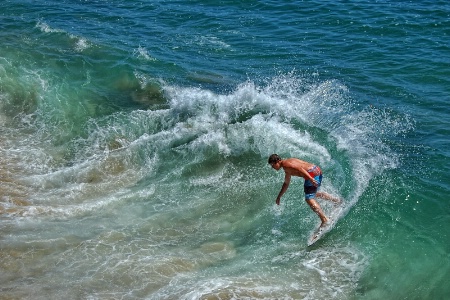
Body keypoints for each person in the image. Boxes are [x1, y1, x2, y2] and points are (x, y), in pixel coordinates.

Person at [268, 154, 340, 227]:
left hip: (311, 174)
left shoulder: (286, 165)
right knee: (314, 194)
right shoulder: (288, 165)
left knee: (309, 198)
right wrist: (279, 196)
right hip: (316, 170)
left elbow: (300, 168)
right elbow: (286, 184)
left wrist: (311, 179)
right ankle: (336, 200)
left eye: (272, 165)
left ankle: (324, 220)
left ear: (277, 161)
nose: (272, 167)